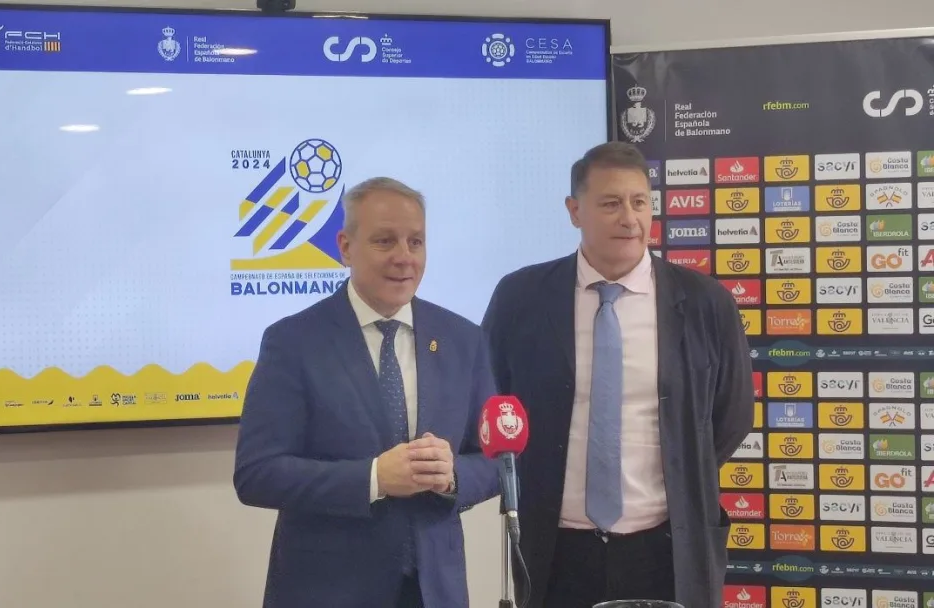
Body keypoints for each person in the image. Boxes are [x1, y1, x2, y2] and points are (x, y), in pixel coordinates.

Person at [480, 142, 754, 608]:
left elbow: (732, 416)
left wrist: (681, 468)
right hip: (554, 549)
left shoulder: (705, 302)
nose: (629, 219)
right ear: (574, 211)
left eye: (639, 202)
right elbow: (490, 402)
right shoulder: (520, 297)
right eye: (610, 204)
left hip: (668, 549)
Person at [233, 176, 500, 608]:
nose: (404, 257)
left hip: (435, 591)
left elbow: (498, 460)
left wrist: (453, 476)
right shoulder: (293, 342)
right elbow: (257, 474)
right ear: (345, 247)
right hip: (327, 591)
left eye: (416, 242)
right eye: (384, 241)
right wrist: (373, 478)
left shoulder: (462, 339)